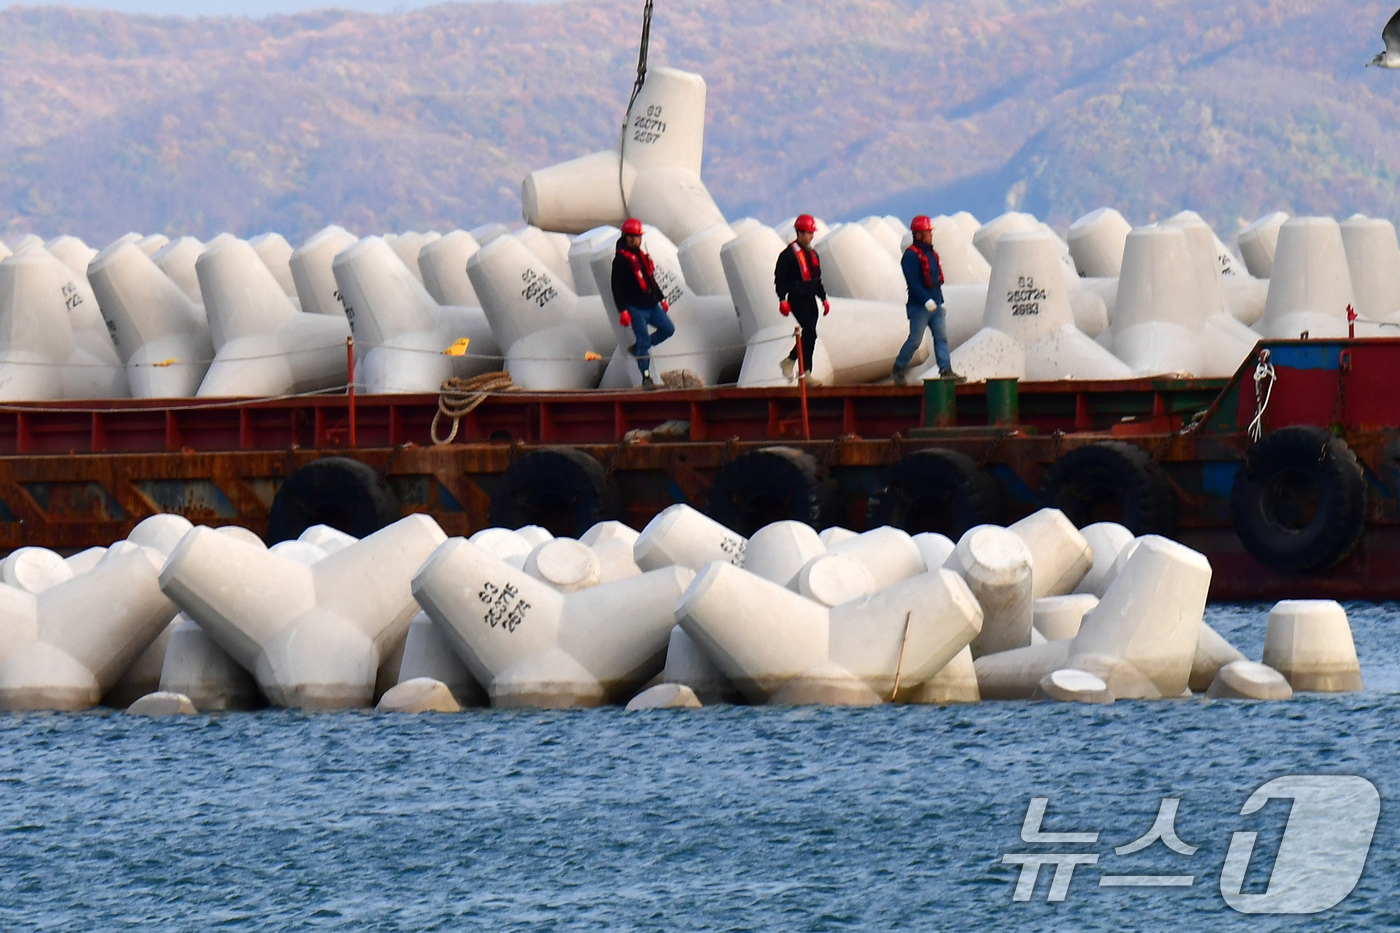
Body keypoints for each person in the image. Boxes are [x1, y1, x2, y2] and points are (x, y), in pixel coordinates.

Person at [891, 215, 963, 385]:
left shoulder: (931, 253)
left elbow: (936, 280)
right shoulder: (910, 256)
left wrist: (940, 301)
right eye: (928, 232)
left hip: (935, 304)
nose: (931, 235)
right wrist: (925, 300)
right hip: (919, 307)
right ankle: (898, 368)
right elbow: (913, 282)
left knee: (941, 338)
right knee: (915, 340)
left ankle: (945, 370)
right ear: (919, 234)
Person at [610, 218, 673, 389]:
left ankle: (639, 348)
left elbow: (650, 279)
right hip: (635, 307)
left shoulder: (641, 256)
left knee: (668, 329)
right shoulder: (621, 261)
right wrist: (622, 310)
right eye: (635, 237)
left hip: (651, 304)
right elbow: (617, 288)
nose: (638, 240)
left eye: (639, 237)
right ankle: (646, 377)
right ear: (628, 238)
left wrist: (661, 298)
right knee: (643, 338)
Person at [773, 214, 830, 382]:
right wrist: (782, 299)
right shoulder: (788, 255)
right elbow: (780, 278)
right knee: (810, 332)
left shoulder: (813, 255)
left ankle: (801, 369)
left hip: (810, 299)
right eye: (808, 232)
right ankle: (797, 367)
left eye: (812, 233)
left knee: (810, 335)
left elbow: (816, 279)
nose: (811, 236)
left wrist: (823, 298)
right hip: (797, 299)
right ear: (799, 233)